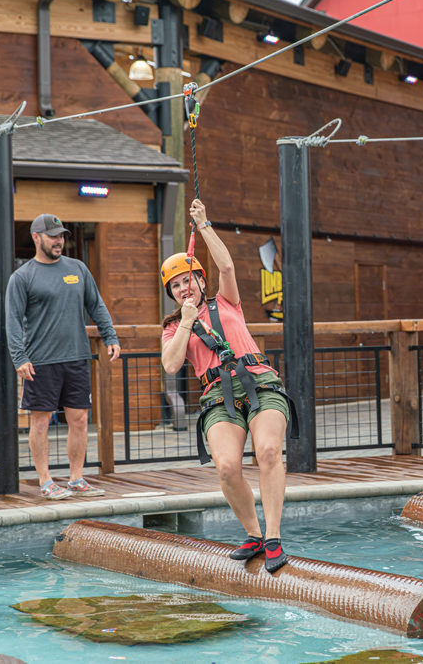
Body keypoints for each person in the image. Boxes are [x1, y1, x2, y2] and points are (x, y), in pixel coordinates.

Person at [161, 198, 294, 574]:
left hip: (259, 382)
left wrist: (204, 225)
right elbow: (171, 364)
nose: (184, 287)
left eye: (189, 279)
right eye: (176, 285)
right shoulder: (174, 327)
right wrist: (186, 321)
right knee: (226, 467)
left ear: (201, 280)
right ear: (171, 294)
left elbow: (227, 265)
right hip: (217, 394)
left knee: (268, 450)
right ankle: (252, 533)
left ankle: (272, 536)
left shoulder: (226, 302)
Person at [6, 213, 120, 500]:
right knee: (40, 421)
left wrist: (110, 336)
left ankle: (76, 478)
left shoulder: (78, 269)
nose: (59, 241)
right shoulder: (23, 277)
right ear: (36, 238)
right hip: (40, 361)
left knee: (79, 419)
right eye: (53, 236)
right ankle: (45, 482)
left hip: (76, 357)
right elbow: (12, 321)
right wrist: (19, 358)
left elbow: (97, 305)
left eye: (61, 236)